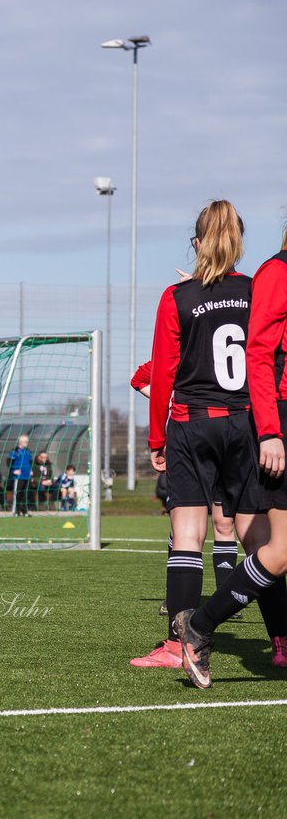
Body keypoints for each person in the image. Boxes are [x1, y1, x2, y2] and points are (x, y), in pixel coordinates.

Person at [132, 200, 284, 672]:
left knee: (188, 536)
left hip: (193, 423)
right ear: (239, 243)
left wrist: (157, 439)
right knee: (261, 540)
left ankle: (179, 646)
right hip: (248, 423)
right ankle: (281, 642)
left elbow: (163, 375)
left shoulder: (176, 297)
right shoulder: (259, 288)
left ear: (196, 242)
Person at [175, 221, 287, 685]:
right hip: (275, 420)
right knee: (275, 550)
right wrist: (270, 431)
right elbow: (258, 356)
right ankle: (197, 625)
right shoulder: (277, 272)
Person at [130, 358, 242, 630]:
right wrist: (172, 404)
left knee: (224, 523)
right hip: (193, 438)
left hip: (226, 438)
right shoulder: (185, 347)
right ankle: (175, 597)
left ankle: (225, 599)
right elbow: (139, 379)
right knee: (185, 526)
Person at [7, 435, 33, 516]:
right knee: (17, 493)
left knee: (25, 494)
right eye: (25, 441)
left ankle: (24, 511)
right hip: (18, 476)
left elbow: (30, 462)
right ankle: (16, 511)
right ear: (20, 442)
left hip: (27, 475)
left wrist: (31, 470)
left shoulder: (28, 451)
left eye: (27, 441)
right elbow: (8, 462)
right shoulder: (15, 451)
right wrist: (14, 471)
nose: (26, 443)